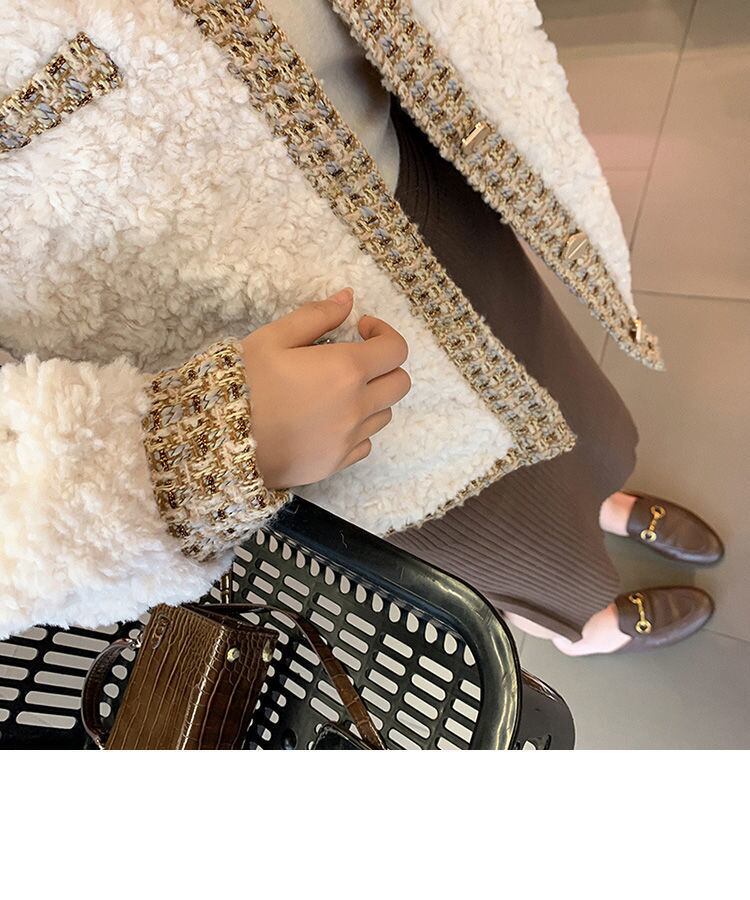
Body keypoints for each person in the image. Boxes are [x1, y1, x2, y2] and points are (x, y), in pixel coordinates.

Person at [0, 0, 722, 655]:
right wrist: (200, 446)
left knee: (568, 413)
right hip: (296, 388)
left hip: (416, 196)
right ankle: (580, 626)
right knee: (497, 537)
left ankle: (598, 498)